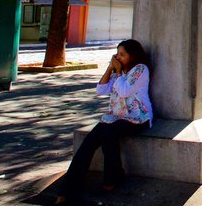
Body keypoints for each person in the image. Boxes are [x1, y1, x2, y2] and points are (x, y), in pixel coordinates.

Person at [55, 39, 153, 204]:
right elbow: (101, 90)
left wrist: (119, 72)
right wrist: (110, 69)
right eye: (117, 53)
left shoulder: (140, 70)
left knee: (110, 133)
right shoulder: (118, 71)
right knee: (88, 143)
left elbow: (123, 91)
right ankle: (66, 191)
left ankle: (112, 178)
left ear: (133, 55)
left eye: (122, 54)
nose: (118, 57)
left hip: (137, 117)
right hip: (114, 116)